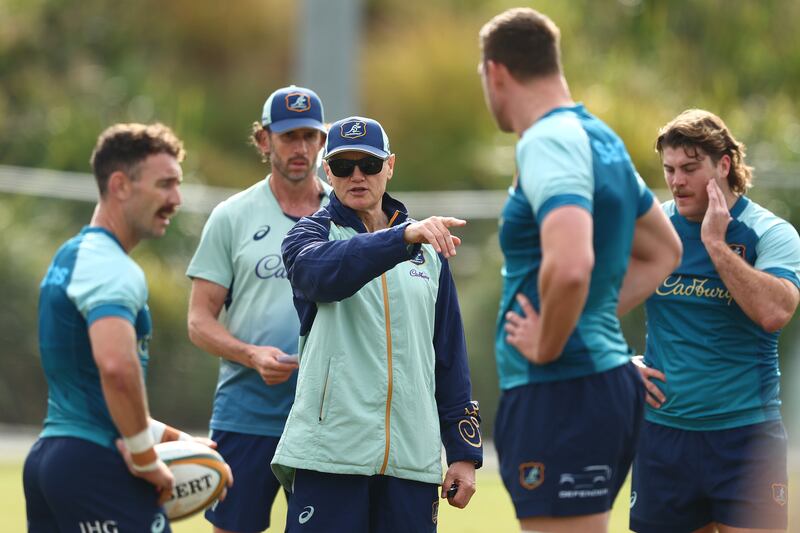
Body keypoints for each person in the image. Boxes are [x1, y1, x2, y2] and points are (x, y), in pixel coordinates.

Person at [477, 8, 683, 533]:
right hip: (595, 382)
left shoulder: (545, 140)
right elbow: (665, 251)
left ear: (495, 72)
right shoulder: (602, 139)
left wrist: (550, 339)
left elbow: (570, 266)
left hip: (562, 386)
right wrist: (586, 321)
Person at [271, 115, 483, 532]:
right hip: (329, 456)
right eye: (343, 165)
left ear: (390, 166)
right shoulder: (307, 236)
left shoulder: (429, 250)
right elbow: (324, 276)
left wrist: (463, 451)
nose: (356, 175)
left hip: (412, 462)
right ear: (326, 171)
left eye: (368, 164)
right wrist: (401, 239)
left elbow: (449, 358)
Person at [23, 123, 230, 532]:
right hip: (97, 465)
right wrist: (145, 457)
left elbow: (93, 393)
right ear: (120, 184)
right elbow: (117, 368)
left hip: (51, 460)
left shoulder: (73, 255)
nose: (177, 199)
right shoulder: (113, 268)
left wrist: (172, 440)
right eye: (165, 184)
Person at [630, 109, 800, 533]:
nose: (676, 181)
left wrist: (715, 245)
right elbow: (591, 299)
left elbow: (774, 312)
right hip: (664, 436)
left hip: (745, 437)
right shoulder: (653, 228)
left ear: (724, 165)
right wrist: (617, 359)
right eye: (669, 169)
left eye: (689, 168)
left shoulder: (768, 232)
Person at [186, 85, 330, 533]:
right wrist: (252, 355)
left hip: (326, 417)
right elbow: (199, 320)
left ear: (323, 142)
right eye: (289, 137)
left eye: (310, 136)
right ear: (264, 140)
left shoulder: (348, 214)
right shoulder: (232, 216)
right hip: (246, 414)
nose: (301, 148)